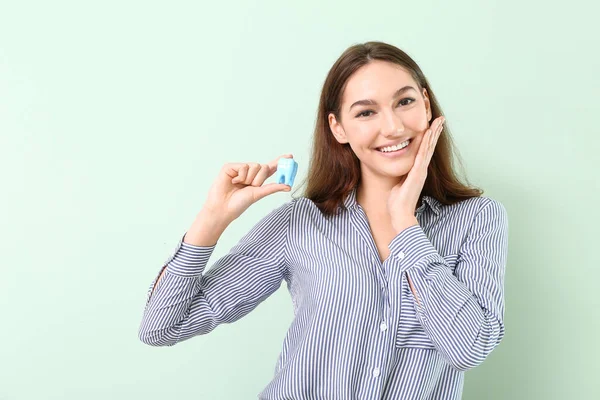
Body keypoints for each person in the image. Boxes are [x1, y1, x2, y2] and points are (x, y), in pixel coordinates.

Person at [138, 41, 509, 400]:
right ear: (338, 128)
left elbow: (470, 347)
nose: (393, 127)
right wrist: (212, 219)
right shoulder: (299, 224)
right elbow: (161, 327)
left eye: (405, 102)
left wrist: (406, 225)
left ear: (426, 104)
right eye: (366, 112)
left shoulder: (478, 219)